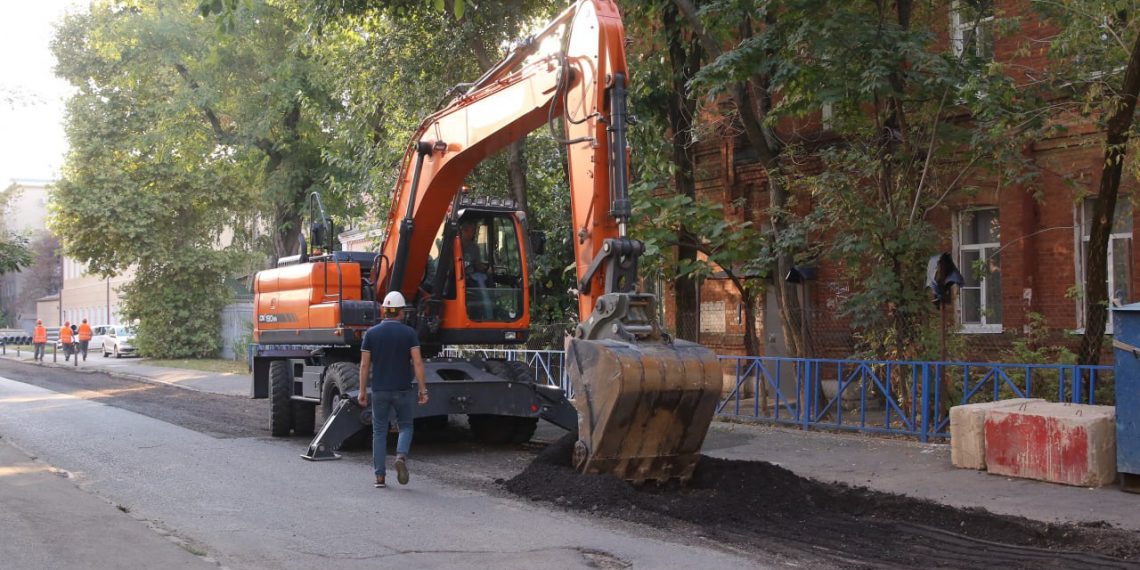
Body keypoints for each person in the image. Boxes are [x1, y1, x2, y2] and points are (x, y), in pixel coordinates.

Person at [357, 291, 428, 488]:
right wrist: (423, 390)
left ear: (384, 311)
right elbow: (418, 362)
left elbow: (364, 366)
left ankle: (380, 477)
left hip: (379, 390)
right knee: (405, 426)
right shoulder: (409, 333)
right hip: (403, 389)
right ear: (401, 312)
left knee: (379, 432)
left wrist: (362, 390)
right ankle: (401, 456)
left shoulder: (371, 334)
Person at [459, 221, 493, 319]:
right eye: (467, 231)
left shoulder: (474, 248)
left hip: (470, 277)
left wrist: (486, 268)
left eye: (472, 231)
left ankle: (488, 309)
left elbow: (477, 265)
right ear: (462, 231)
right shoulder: (454, 245)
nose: (470, 234)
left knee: (484, 278)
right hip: (456, 276)